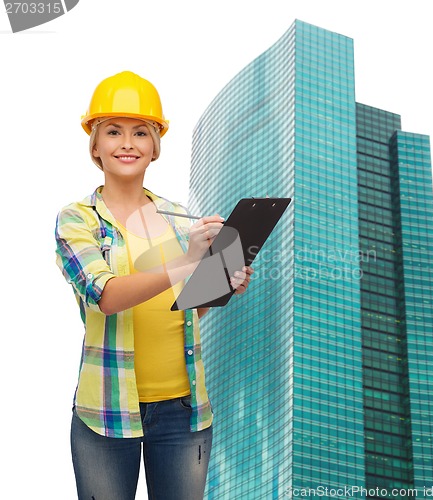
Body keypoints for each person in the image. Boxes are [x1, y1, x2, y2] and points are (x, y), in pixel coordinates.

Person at [55, 70, 253, 500]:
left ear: (155, 146)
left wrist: (221, 285)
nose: (127, 143)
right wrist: (186, 262)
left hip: (184, 413)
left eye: (140, 132)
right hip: (105, 414)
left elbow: (187, 308)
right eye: (113, 131)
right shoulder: (77, 220)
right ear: (95, 144)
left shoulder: (178, 217)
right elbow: (105, 297)